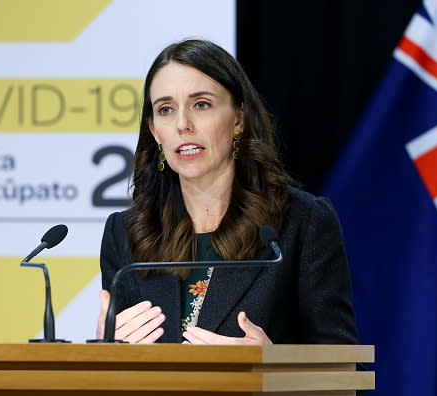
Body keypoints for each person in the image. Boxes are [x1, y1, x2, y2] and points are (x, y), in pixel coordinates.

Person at [96, 39, 359, 346]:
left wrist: (275, 369)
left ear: (238, 119)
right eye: (165, 109)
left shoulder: (302, 224)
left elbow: (347, 374)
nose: (183, 124)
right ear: (155, 132)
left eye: (201, 104)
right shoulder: (126, 234)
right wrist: (107, 354)